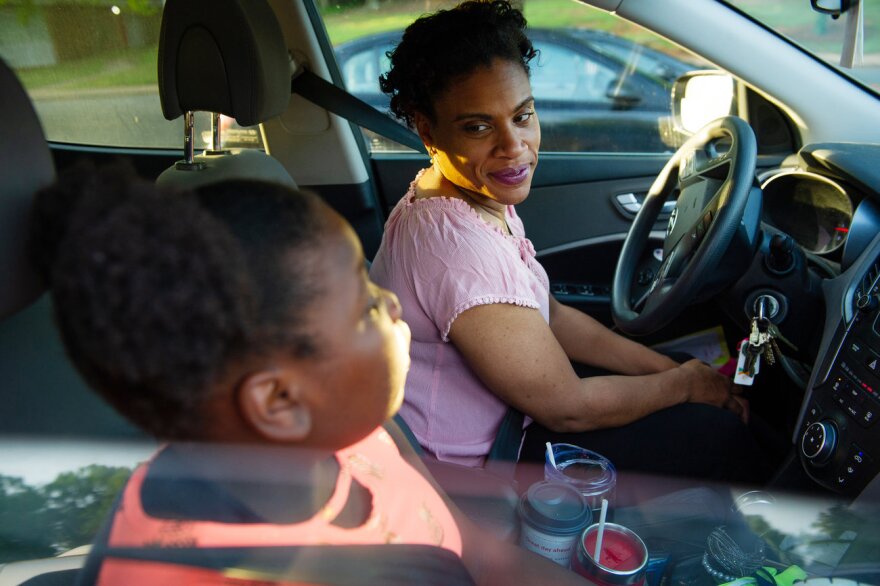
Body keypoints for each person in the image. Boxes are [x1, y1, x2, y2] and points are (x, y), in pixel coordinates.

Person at [30, 163, 589, 585]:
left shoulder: (355, 434)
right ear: (279, 401)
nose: (392, 304)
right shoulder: (209, 568)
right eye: (367, 305)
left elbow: (472, 548)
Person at [369, 0, 784, 483]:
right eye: (478, 127)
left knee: (688, 384)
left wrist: (671, 370)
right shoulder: (454, 247)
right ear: (427, 130)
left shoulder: (467, 197)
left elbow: (554, 316)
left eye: (522, 115)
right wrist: (682, 387)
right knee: (719, 435)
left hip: (509, 418)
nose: (513, 146)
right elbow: (568, 409)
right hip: (481, 468)